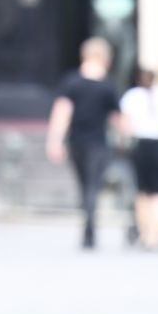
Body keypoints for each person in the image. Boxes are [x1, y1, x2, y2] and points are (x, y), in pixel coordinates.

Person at [46, 38, 121, 250]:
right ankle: (90, 225)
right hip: (98, 143)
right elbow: (117, 119)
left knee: (84, 185)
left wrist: (55, 140)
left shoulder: (72, 82)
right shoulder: (107, 85)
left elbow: (62, 112)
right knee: (93, 186)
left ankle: (87, 224)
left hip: (76, 142)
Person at [119, 66, 158, 249]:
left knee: (143, 192)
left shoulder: (132, 96)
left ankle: (146, 235)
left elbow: (125, 125)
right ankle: (157, 236)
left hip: (141, 145)